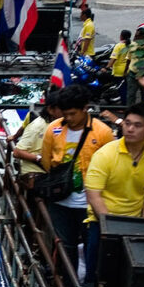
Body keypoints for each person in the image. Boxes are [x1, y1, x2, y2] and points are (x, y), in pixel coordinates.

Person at [83, 104, 144, 284]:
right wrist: (110, 226)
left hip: (134, 223)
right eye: (127, 123)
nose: (130, 129)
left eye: (137, 125)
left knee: (127, 278)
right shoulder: (105, 155)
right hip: (101, 223)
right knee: (96, 275)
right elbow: (94, 195)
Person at [40, 84, 114, 262]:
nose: (69, 118)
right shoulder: (53, 129)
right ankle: (66, 286)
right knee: (65, 246)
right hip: (60, 201)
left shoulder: (103, 133)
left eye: (73, 113)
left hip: (89, 204)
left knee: (92, 247)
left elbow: (110, 168)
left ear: (85, 108)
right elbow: (46, 161)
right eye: (65, 114)